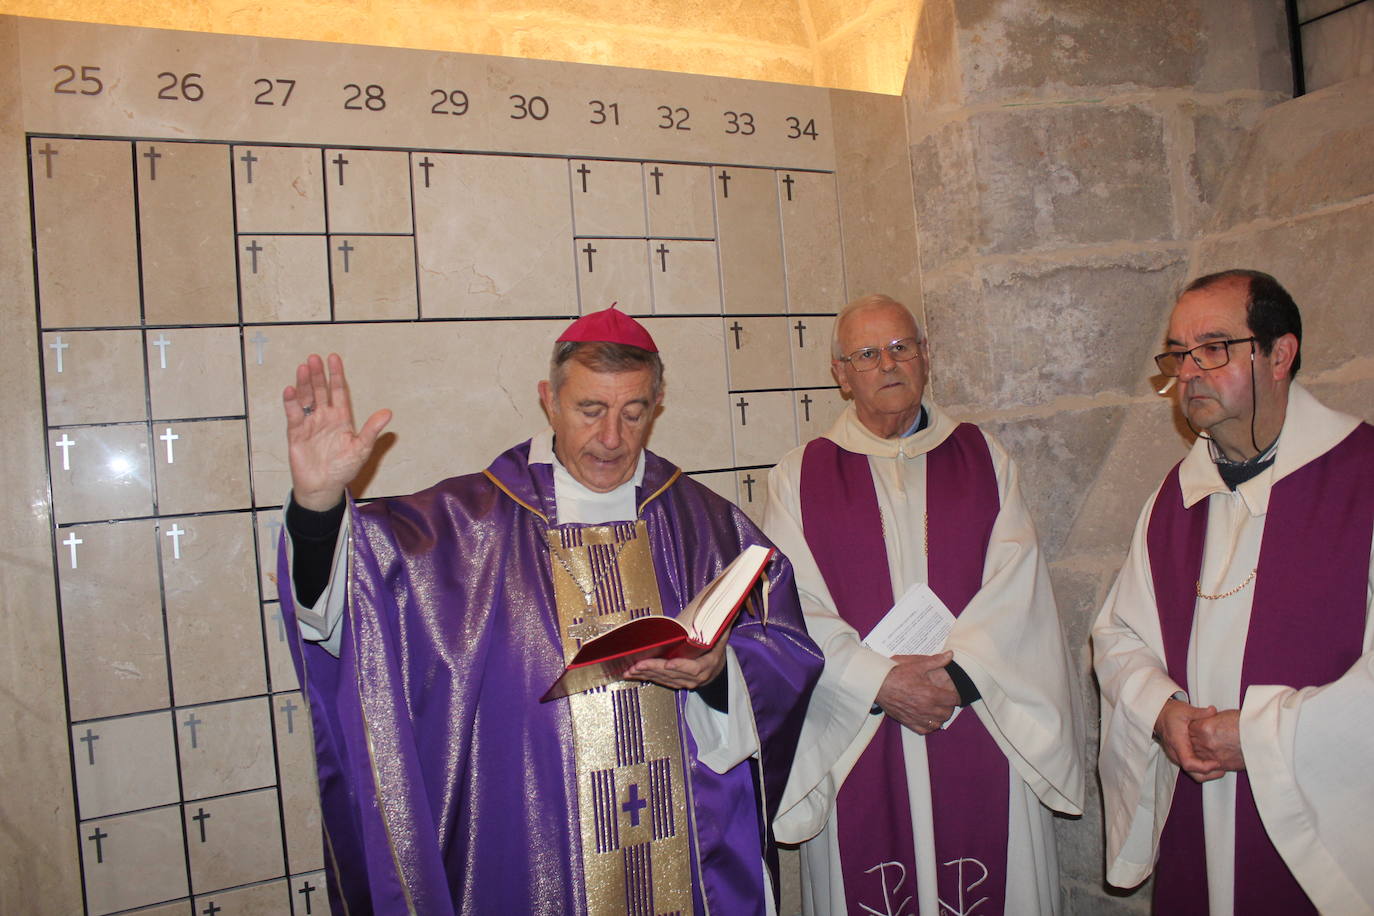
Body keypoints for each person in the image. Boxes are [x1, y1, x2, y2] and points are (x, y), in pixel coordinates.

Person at [276, 306, 824, 915]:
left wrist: (720, 675)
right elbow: (359, 603)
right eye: (591, 410)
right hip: (535, 852)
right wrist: (319, 508)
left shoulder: (707, 525)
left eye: (634, 411)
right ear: (549, 400)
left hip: (692, 857)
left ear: (658, 403)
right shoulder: (465, 527)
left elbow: (785, 653)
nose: (612, 437)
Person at [764, 294, 1084, 915]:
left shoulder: (984, 459)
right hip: (860, 727)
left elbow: (1018, 587)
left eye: (901, 347)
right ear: (840, 373)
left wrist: (956, 678)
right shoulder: (799, 476)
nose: (887, 364)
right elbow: (788, 606)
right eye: (866, 353)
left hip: (976, 715)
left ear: (926, 356)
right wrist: (878, 681)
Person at [1093, 270, 1374, 914]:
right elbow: (1117, 636)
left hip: (1318, 819)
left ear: (1280, 354)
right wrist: (1162, 712)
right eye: (1177, 352)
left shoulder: (1361, 478)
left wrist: (1265, 739)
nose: (1188, 371)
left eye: (1213, 347)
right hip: (1200, 803)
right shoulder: (1174, 496)